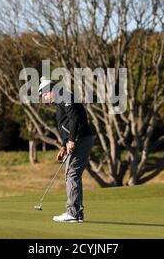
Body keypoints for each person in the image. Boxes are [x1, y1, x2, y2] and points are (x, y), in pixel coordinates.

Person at [38, 77, 95, 223]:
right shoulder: (59, 102)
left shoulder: (65, 95)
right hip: (76, 139)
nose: (44, 98)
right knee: (70, 173)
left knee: (72, 173)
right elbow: (67, 125)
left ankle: (73, 213)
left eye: (44, 95)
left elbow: (74, 118)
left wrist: (71, 140)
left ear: (50, 90)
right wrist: (63, 145)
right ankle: (76, 212)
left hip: (81, 138)